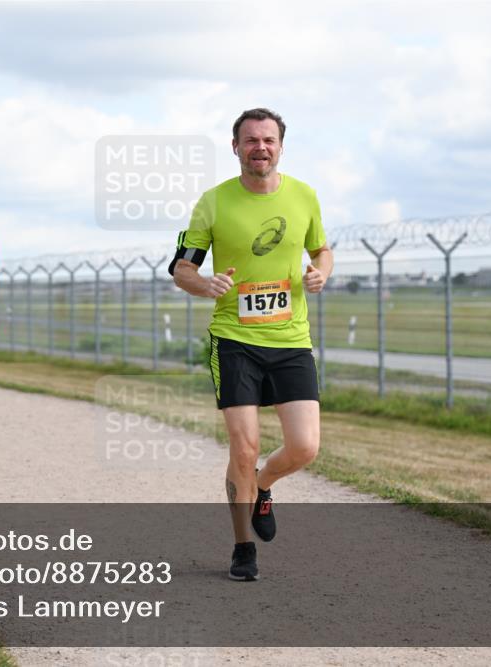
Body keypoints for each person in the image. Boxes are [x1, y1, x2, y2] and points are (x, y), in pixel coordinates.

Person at [169, 108, 333, 581]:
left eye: (268, 139)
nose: (259, 147)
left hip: (291, 341)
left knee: (304, 448)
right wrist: (206, 285)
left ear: (281, 146)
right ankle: (243, 548)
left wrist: (322, 271)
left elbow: (321, 248)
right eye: (250, 140)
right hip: (234, 340)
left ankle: (263, 487)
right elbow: (182, 269)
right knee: (244, 447)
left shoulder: (304, 196)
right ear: (235, 146)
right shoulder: (212, 202)